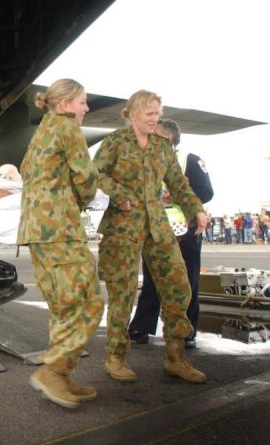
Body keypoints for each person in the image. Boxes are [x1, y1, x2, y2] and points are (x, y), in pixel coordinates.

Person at [94, 90, 208, 385]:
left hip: (157, 226)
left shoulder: (162, 147)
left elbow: (179, 185)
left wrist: (196, 210)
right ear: (133, 113)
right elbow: (96, 175)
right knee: (122, 292)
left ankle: (176, 356)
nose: (155, 119)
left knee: (179, 286)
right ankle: (116, 357)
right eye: (149, 114)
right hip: (123, 226)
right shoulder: (115, 143)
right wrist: (118, 194)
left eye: (157, 114)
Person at [17, 79, 104, 409]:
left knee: (63, 304)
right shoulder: (68, 128)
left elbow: (26, 171)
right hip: (60, 230)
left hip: (36, 230)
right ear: (66, 103)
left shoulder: (41, 131)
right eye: (82, 101)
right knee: (91, 300)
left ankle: (62, 376)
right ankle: (53, 372)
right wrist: (78, 203)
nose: (86, 108)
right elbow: (86, 179)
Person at [128, 119, 214, 349]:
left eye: (155, 135)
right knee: (152, 278)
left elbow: (206, 192)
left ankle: (187, 331)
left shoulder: (189, 160)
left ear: (170, 138)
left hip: (185, 231)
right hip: (156, 229)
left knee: (188, 281)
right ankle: (141, 326)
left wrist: (175, 196)